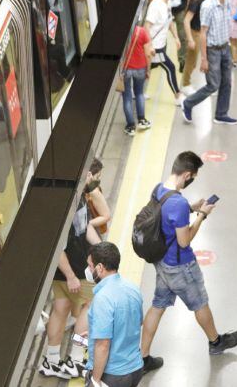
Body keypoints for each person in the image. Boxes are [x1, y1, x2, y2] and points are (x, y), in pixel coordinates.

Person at [140, 152, 237, 363]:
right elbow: (184, 240)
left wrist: (192, 207)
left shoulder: (159, 189)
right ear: (187, 174)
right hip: (180, 266)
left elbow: (165, 213)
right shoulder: (177, 203)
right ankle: (216, 343)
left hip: (161, 262)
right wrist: (202, 215)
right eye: (193, 177)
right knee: (200, 303)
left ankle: (142, 358)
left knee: (158, 305)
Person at [40, 191, 102, 379]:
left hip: (69, 269)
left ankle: (51, 361)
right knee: (90, 306)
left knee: (60, 309)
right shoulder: (62, 203)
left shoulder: (80, 194)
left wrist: (101, 248)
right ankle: (75, 359)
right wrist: (70, 276)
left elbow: (86, 224)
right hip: (74, 269)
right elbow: (56, 244)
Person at [86, 242, 154, 387]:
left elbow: (103, 345)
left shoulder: (102, 298)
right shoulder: (132, 288)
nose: (88, 270)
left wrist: (95, 380)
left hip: (112, 376)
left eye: (90, 266)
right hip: (135, 368)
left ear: (100, 268)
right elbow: (136, 321)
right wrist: (95, 330)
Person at [181, 0, 237, 125]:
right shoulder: (207, 6)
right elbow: (203, 33)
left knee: (227, 82)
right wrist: (204, 59)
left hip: (225, 47)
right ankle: (188, 103)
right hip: (213, 50)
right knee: (213, 85)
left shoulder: (227, 2)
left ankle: (221, 114)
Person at [145, 0, 185, 105]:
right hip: (155, 46)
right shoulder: (156, 5)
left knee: (150, 67)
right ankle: (178, 96)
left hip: (161, 44)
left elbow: (170, 22)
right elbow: (147, 26)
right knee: (170, 68)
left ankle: (137, 89)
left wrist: (176, 38)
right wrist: (149, 45)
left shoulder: (167, 3)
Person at [120, 23, 153, 137]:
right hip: (140, 68)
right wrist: (148, 70)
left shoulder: (119, 32)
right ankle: (142, 120)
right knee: (139, 93)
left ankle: (130, 126)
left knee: (127, 96)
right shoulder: (141, 31)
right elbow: (148, 54)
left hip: (125, 69)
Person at [181, 0, 211, 91]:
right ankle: (185, 84)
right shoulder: (196, 1)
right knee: (191, 61)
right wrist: (190, 39)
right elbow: (186, 20)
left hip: (204, 33)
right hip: (196, 33)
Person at [85, 159, 112, 237]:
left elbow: (106, 216)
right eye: (97, 176)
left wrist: (87, 225)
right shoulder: (88, 189)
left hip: (93, 231)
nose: (99, 179)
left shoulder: (94, 191)